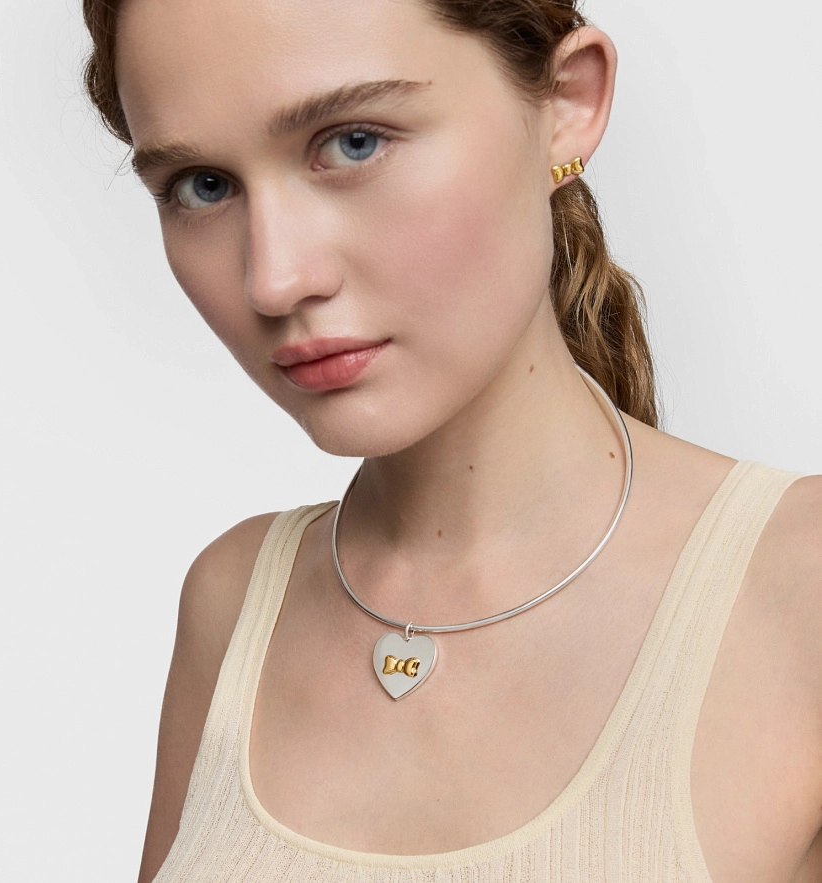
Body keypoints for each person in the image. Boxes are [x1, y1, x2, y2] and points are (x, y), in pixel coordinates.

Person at [82, 0, 822, 880]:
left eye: (353, 142)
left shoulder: (799, 587)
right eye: (202, 185)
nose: (275, 279)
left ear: (567, 101)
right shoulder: (236, 602)